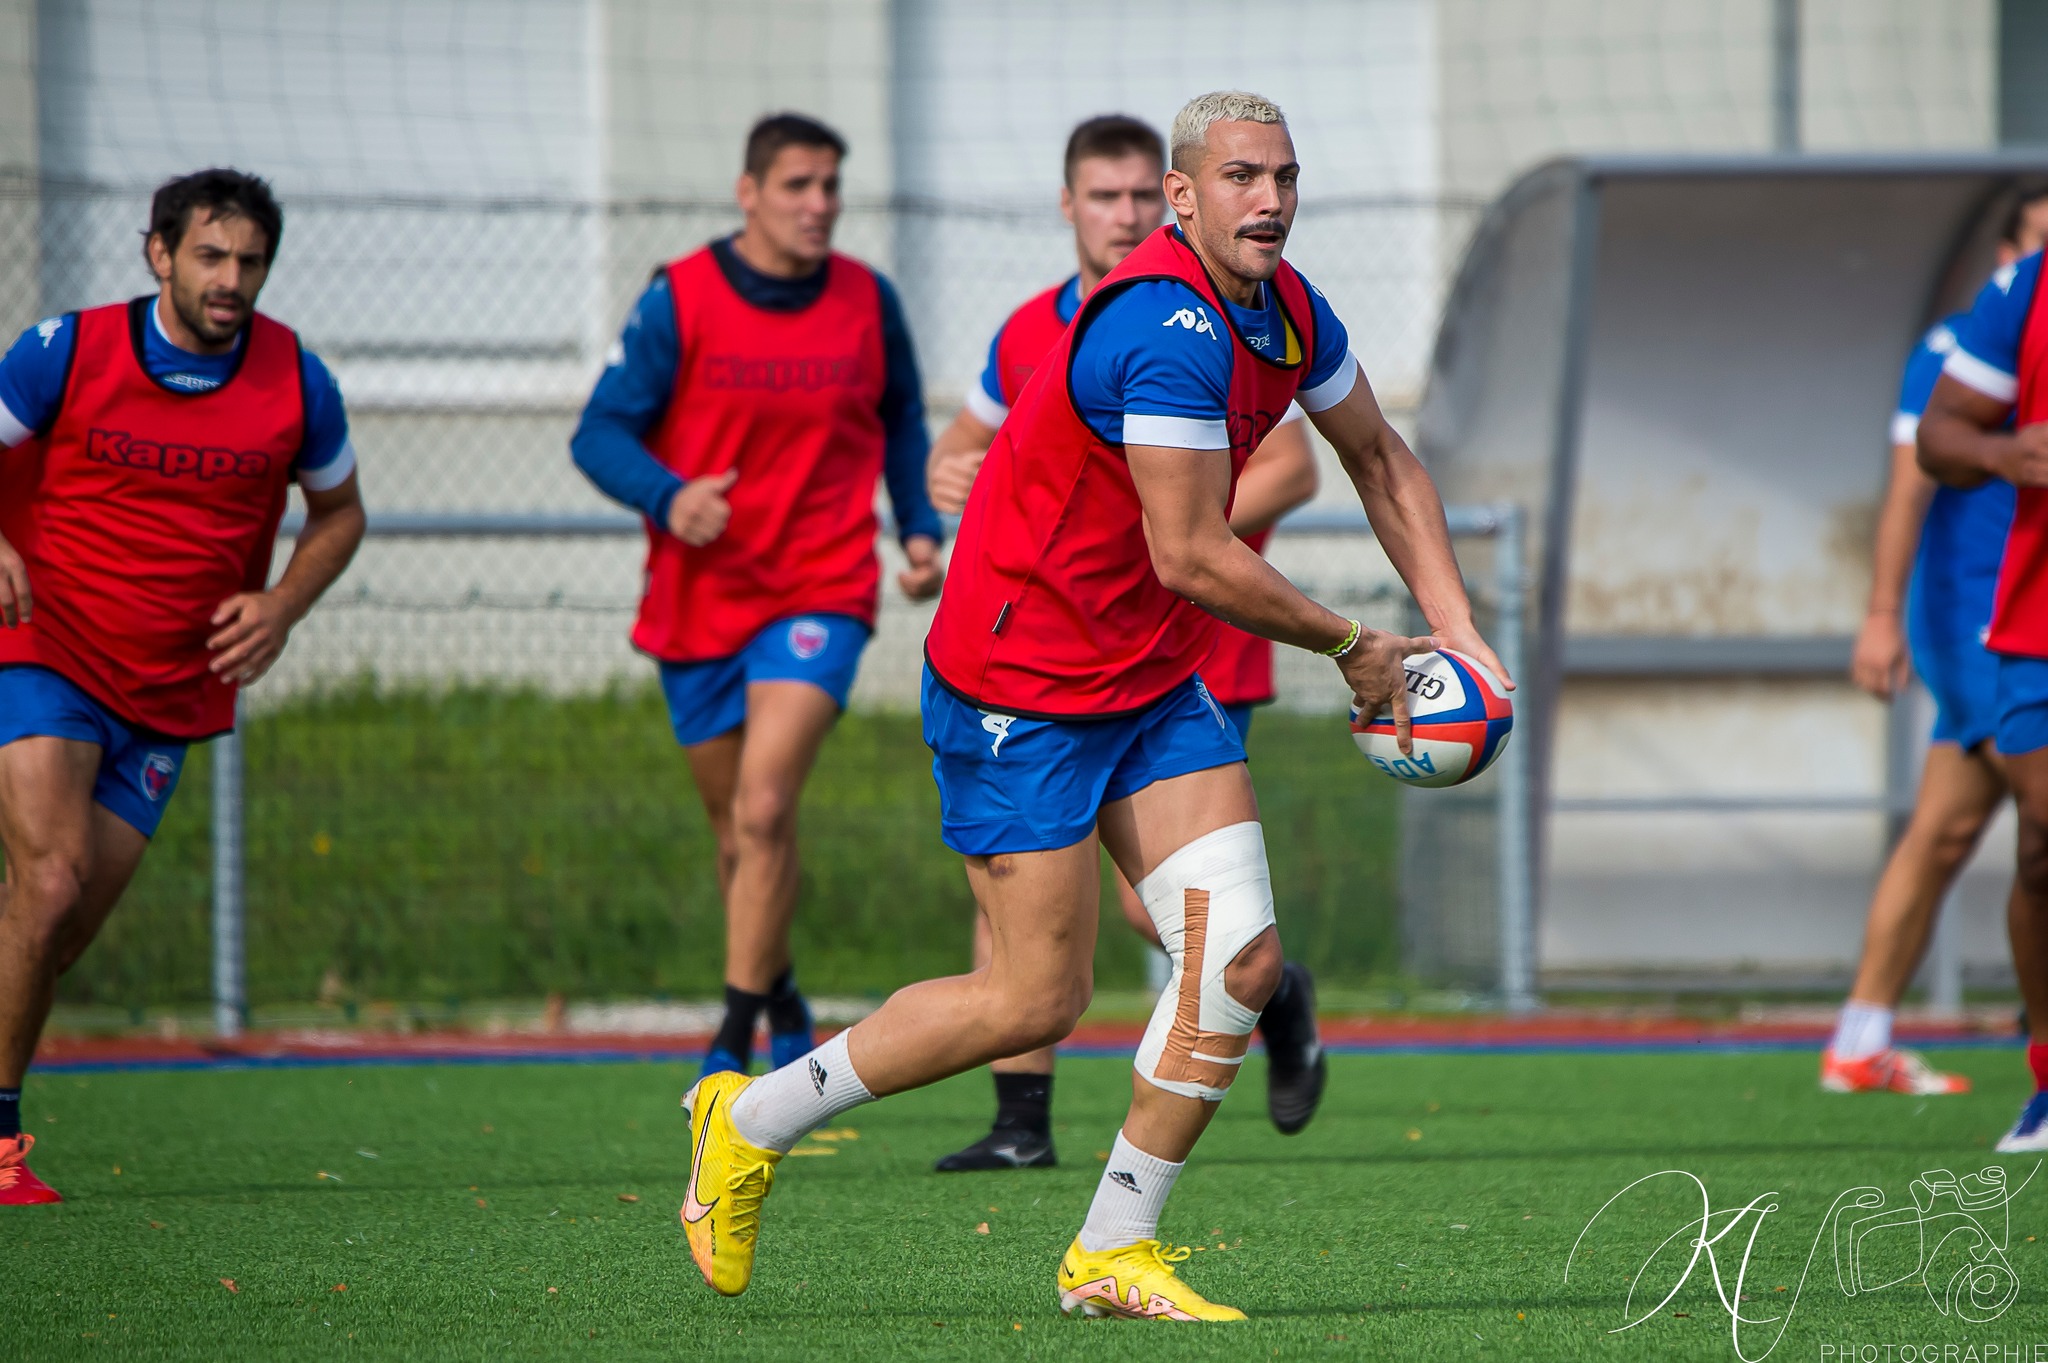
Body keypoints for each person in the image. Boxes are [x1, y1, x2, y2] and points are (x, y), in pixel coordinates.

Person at [677, 91, 1511, 1319]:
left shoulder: (1286, 309)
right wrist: (1348, 642)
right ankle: (746, 1118)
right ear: (1181, 197)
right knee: (1033, 999)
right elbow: (1189, 553)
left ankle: (1110, 1247)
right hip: (1021, 684)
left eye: (1283, 175)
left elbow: (1378, 458)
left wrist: (1457, 635)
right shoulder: (1163, 327)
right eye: (1238, 177)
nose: (1269, 199)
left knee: (1237, 961)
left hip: (1149, 677)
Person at [923, 114, 1325, 1173]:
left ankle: (1131, 1200)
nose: (1126, 216)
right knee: (1037, 942)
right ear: (1069, 208)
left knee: (1187, 925)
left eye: (1141, 196)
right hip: (1039, 660)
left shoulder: (1227, 311)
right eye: (1105, 198)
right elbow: (965, 450)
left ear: (1173, 199)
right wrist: (941, 497)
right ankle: (1021, 1120)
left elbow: (1291, 465)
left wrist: (1185, 535)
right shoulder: (1031, 331)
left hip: (1186, 648)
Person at [0, 169, 365, 1204]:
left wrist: (282, 604)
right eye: (210, 255)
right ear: (158, 253)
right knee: (51, 878)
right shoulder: (64, 352)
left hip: (170, 688)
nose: (230, 279)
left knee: (54, 931)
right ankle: (1, 1141)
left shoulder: (298, 381)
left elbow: (339, 515)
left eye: (250, 261)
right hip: (43, 644)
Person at [570, 114, 945, 1080]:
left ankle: (734, 1042)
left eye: (831, 186)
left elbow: (902, 419)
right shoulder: (681, 297)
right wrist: (670, 495)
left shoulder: (867, 300)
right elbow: (599, 433)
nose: (819, 204)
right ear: (749, 193)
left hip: (821, 588)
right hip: (698, 601)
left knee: (767, 805)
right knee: (736, 831)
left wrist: (914, 529)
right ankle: (781, 994)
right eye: (797, 186)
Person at [1824, 193, 2048, 1095]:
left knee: (1948, 829)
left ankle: (1858, 1037)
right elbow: (1914, 480)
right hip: (1982, 613)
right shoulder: (1965, 343)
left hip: (2013, 614)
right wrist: (1883, 610)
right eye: (2039, 237)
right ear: (2007, 252)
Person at [1920, 193, 2048, 1153]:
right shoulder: (2025, 292)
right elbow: (1937, 440)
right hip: (2035, 622)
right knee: (2039, 842)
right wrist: (2009, 450)